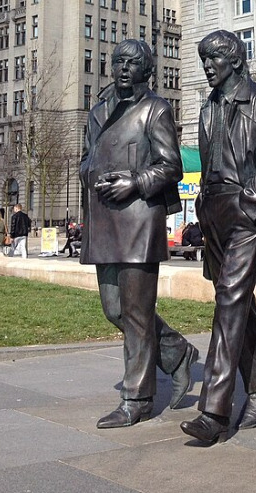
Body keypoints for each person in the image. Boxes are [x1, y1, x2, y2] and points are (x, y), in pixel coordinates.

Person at [181, 30, 256, 445]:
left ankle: (214, 410)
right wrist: (203, 205)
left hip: (246, 212)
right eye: (204, 59)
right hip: (214, 213)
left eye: (213, 58)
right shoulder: (208, 106)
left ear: (234, 59)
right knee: (236, 303)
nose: (207, 66)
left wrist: (252, 197)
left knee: (229, 302)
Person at [80, 39, 198, 428]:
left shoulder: (156, 109)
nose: (124, 68)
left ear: (146, 70)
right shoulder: (98, 111)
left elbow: (171, 166)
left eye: (132, 63)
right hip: (104, 220)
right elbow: (86, 158)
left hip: (139, 221)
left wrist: (134, 182)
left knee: (135, 313)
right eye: (118, 62)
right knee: (115, 309)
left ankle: (137, 398)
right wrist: (90, 174)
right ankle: (177, 353)